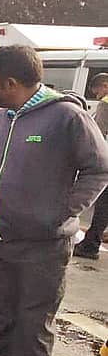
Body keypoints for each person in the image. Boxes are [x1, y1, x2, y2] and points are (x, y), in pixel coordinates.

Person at [0, 45, 108, 356]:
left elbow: (99, 169)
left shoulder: (67, 117)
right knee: (1, 325)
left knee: (31, 331)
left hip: (43, 249)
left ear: (11, 83)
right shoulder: (0, 120)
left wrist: (59, 212)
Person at [74, 72, 108, 259]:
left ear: (105, 85)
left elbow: (98, 135)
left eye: (97, 92)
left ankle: (90, 246)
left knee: (103, 205)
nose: (98, 96)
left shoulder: (105, 103)